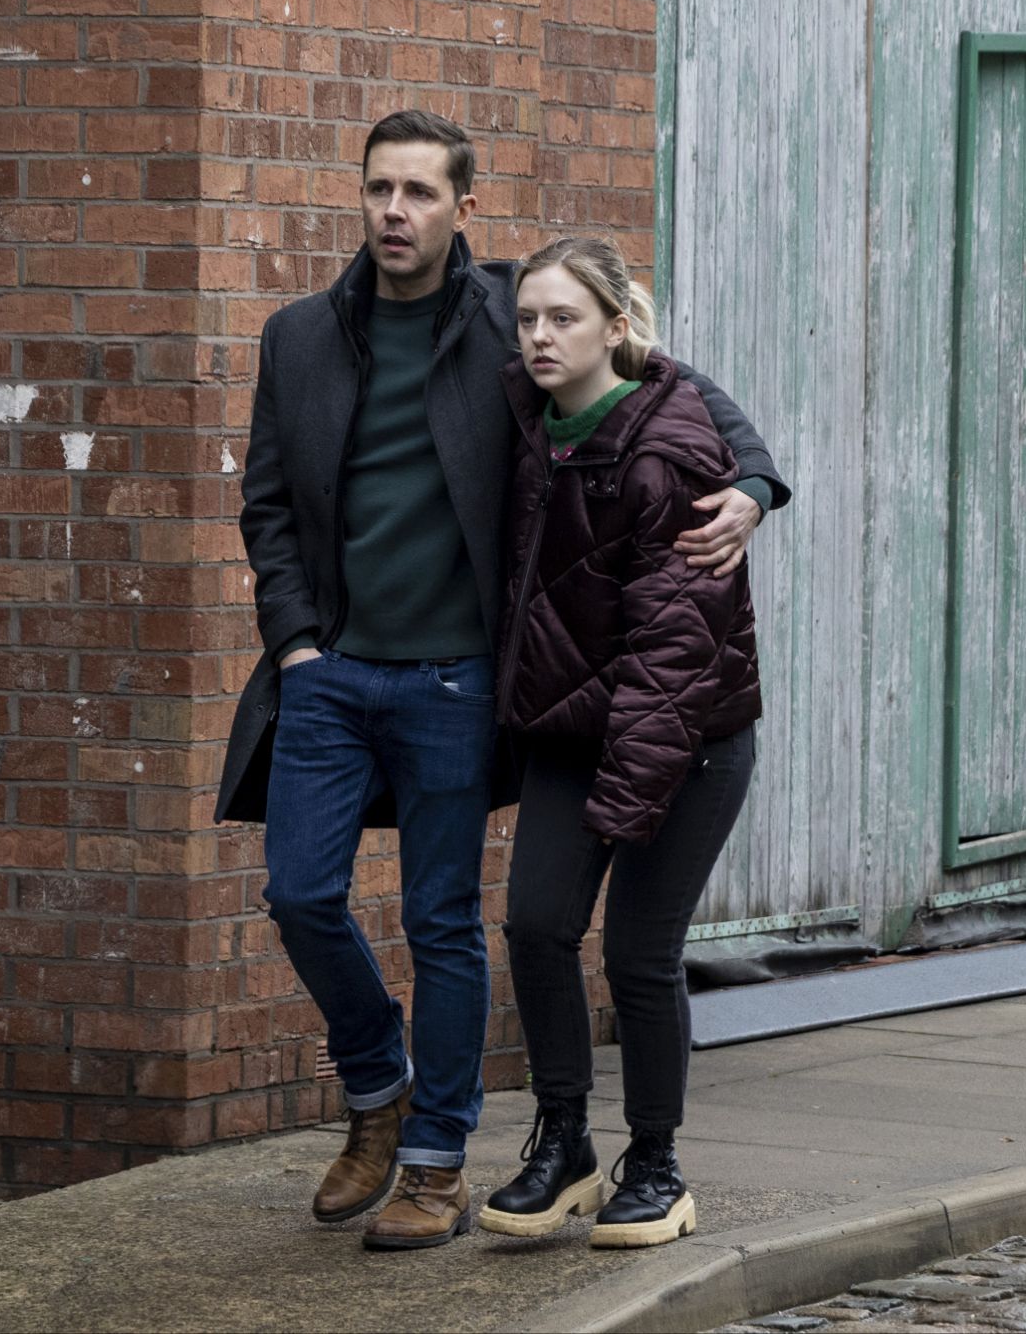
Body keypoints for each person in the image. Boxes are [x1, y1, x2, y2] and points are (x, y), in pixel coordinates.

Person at [220, 112, 790, 1251]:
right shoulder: (299, 337)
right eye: (378, 189)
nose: (395, 212)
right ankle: (378, 1087)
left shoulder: (510, 315)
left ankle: (439, 1160)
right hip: (331, 672)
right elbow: (268, 504)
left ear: (462, 208)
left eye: (420, 192)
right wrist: (294, 642)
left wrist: (758, 484)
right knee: (299, 894)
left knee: (451, 921)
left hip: (460, 682)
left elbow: (673, 386)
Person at [475, 236, 762, 1250]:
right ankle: (564, 1145)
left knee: (639, 953)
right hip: (576, 727)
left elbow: (674, 654)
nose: (540, 337)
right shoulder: (528, 416)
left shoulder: (664, 453)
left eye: (564, 318)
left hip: (687, 738)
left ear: (615, 327)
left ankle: (656, 1163)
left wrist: (621, 811)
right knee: (536, 926)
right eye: (527, 319)